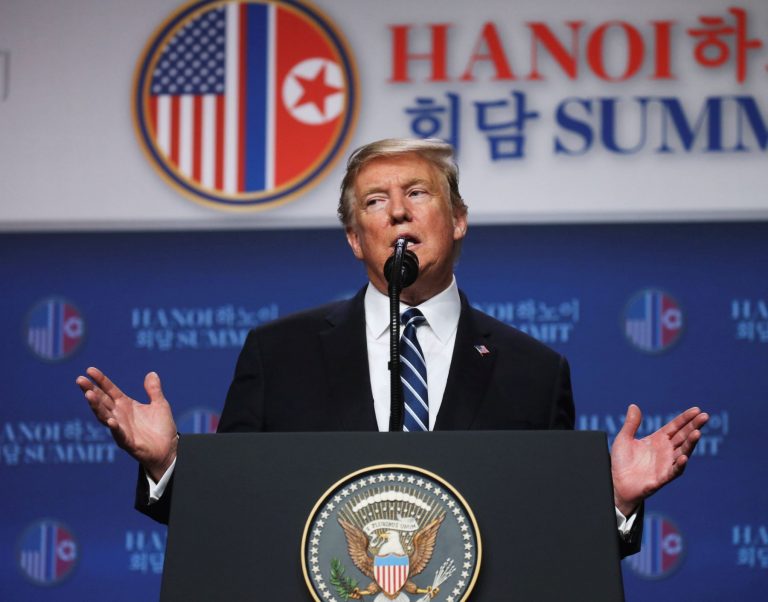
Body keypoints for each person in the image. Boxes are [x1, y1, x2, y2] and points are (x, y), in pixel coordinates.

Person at [76, 138, 708, 558]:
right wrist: (168, 465)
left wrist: (615, 501)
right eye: (375, 203)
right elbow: (231, 516)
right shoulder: (280, 353)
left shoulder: (533, 371)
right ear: (356, 238)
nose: (398, 213)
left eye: (418, 193)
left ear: (458, 219)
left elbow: (552, 543)